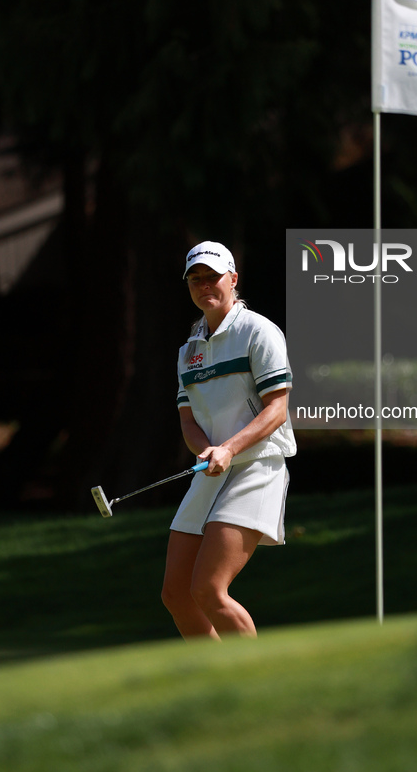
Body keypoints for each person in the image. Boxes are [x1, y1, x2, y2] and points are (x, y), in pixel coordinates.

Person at [161, 241, 296, 640]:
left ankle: (257, 687)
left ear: (233, 279)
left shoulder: (258, 331)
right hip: (212, 468)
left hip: (257, 466)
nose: (204, 285)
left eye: (212, 276)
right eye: (195, 279)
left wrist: (230, 448)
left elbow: (277, 409)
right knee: (176, 594)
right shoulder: (188, 351)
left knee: (208, 589)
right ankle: (215, 688)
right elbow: (188, 419)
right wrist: (204, 448)